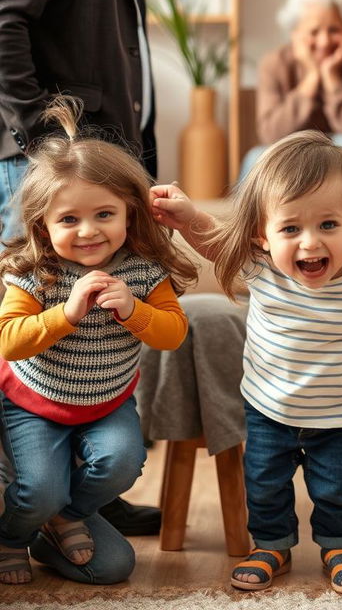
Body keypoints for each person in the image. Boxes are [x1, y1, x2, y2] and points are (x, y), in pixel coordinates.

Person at [0, 0, 175, 542]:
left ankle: (83, 497)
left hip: (96, 175)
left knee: (102, 324)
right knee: (35, 335)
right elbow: (3, 20)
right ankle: (29, 510)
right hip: (54, 176)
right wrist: (49, 152)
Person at [151, 130, 342, 594]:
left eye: (329, 225)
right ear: (262, 237)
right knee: (264, 485)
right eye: (290, 229)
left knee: (336, 488)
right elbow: (213, 241)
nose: (311, 243)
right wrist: (187, 218)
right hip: (269, 410)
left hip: (340, 415)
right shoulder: (259, 267)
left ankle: (339, 544)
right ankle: (271, 544)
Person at [0, 97, 196, 585]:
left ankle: (65, 518)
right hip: (33, 404)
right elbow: (8, 341)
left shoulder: (142, 269)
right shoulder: (35, 273)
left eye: (104, 214)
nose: (89, 232)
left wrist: (134, 310)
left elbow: (174, 333)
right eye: (69, 220)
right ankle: (12, 536)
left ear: (129, 212)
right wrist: (65, 315)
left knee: (122, 464)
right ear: (43, 225)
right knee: (38, 490)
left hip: (106, 403)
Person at [240, 0, 342, 188]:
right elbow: (271, 134)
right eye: (314, 31)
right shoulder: (273, 63)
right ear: (295, 34)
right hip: (295, 154)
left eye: (334, 29)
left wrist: (332, 77)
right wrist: (311, 78)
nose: (324, 41)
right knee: (256, 157)